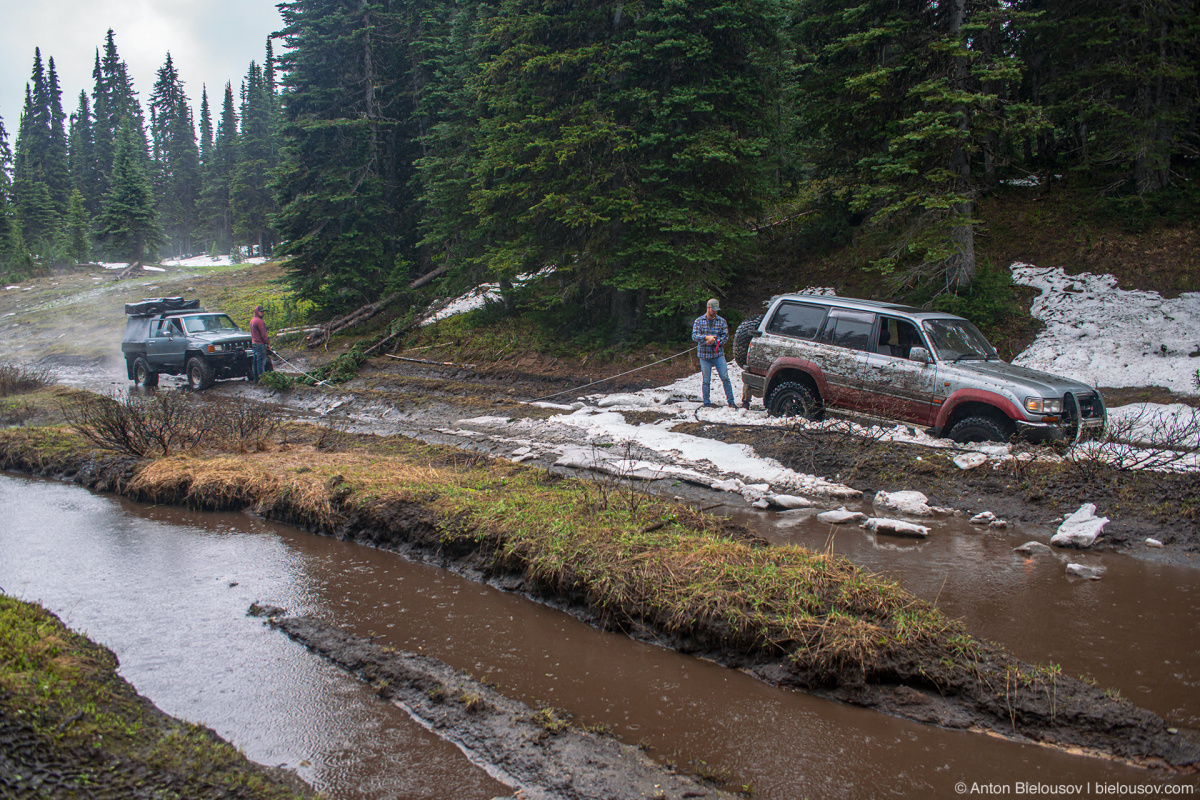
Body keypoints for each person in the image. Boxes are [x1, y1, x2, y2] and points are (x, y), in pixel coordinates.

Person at [691, 298, 736, 408]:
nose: (715, 312)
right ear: (708, 308)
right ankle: (706, 404)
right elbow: (694, 335)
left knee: (725, 377)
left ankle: (731, 402)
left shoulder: (722, 321)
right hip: (704, 355)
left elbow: (725, 337)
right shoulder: (699, 321)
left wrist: (715, 341)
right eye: (713, 310)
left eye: (716, 310)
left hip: (718, 355)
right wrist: (706, 337)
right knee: (706, 380)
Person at [249, 305, 270, 382]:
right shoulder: (260, 322)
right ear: (257, 312)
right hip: (260, 344)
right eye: (261, 312)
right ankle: (263, 379)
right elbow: (263, 335)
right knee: (261, 362)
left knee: (255, 362)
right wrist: (267, 343)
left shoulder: (252, 321)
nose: (263, 313)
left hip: (254, 343)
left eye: (263, 311)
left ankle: (256, 379)